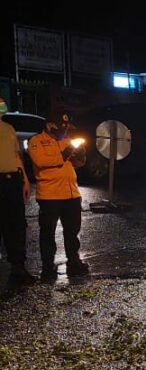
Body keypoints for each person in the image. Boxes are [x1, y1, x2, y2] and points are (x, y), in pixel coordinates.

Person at [27, 111, 89, 281]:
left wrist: (80, 153)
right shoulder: (36, 141)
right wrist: (65, 153)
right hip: (50, 195)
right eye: (60, 126)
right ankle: (48, 265)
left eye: (66, 126)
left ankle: (74, 260)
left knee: (72, 230)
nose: (64, 129)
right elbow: (41, 162)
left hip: (71, 194)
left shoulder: (67, 141)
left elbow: (77, 163)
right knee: (48, 232)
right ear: (49, 125)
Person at [0, 97, 35, 285]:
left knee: (17, 225)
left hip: (12, 180)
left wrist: (25, 180)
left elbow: (16, 156)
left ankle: (18, 269)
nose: (2, 105)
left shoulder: (9, 129)